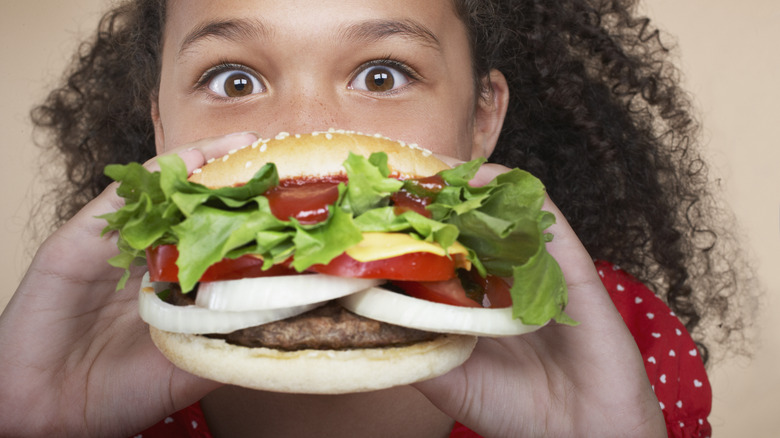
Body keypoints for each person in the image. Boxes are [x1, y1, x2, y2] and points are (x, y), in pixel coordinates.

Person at [0, 0, 751, 436]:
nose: (302, 126)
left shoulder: (625, 344)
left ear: (482, 118)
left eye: (382, 74)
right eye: (233, 79)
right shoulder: (70, 371)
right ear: (160, 126)